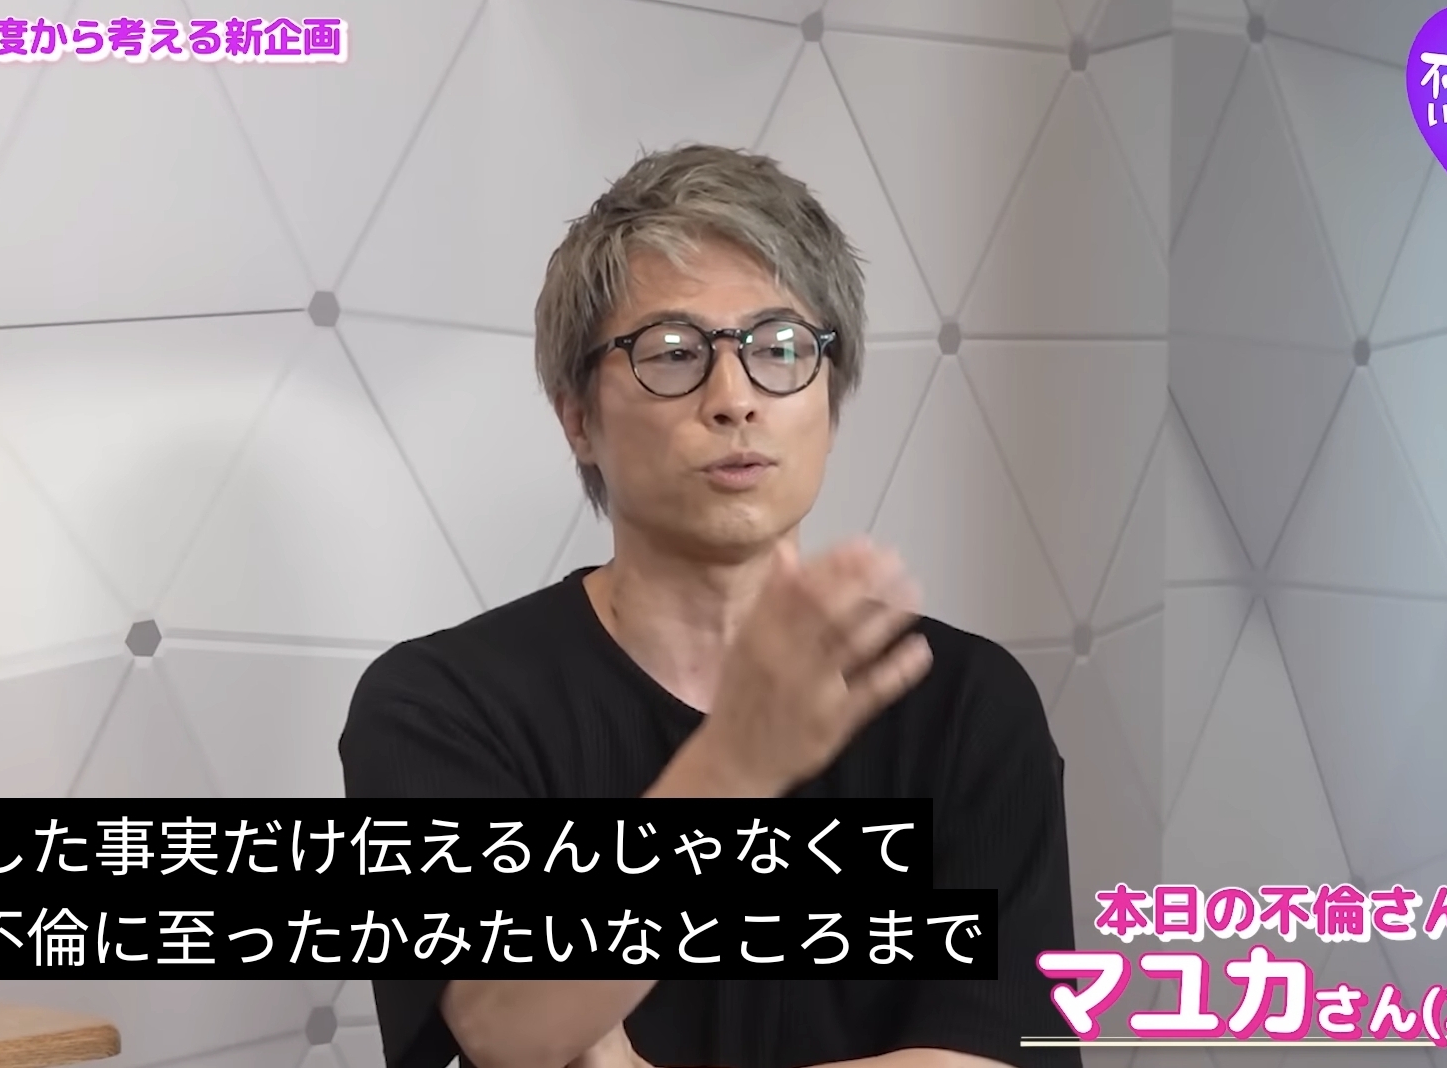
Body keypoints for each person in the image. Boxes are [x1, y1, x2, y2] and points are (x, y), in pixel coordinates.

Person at [339, 143, 1079, 1068]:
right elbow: (506, 1028)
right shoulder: (444, 705)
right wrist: (738, 762)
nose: (734, 399)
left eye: (779, 349)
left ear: (830, 395)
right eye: (673, 354)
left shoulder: (965, 700)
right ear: (577, 417)